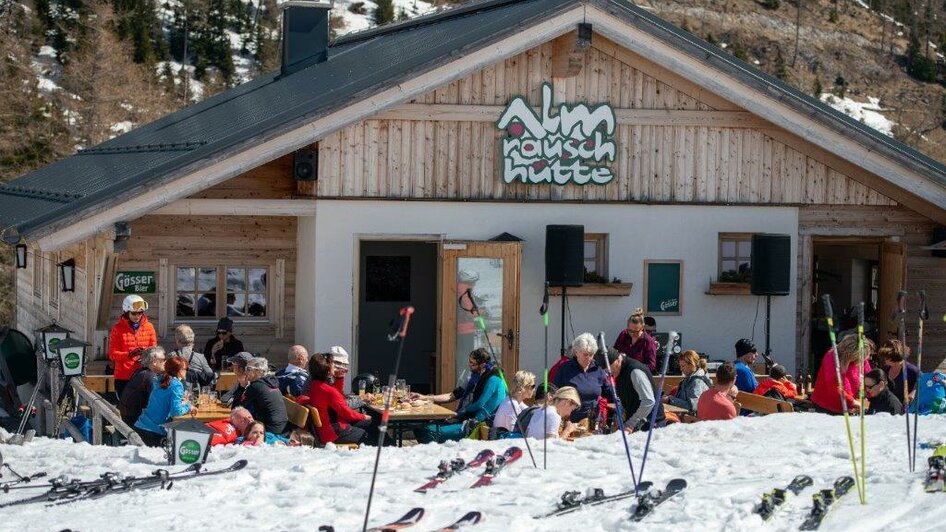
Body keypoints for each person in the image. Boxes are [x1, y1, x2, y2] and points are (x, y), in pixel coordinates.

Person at [414, 348, 505, 444]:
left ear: (482, 365)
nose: (469, 365)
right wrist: (424, 397)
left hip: (478, 423)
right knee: (420, 428)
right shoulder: (472, 378)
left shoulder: (493, 379)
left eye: (472, 363)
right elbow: (451, 396)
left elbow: (479, 404)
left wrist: (458, 415)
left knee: (429, 431)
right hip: (465, 417)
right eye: (469, 362)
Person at [300, 353, 381, 446]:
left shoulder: (314, 385)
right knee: (376, 435)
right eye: (334, 365)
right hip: (336, 432)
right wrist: (364, 416)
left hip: (326, 430)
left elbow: (337, 399)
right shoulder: (328, 391)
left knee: (374, 425)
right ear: (328, 371)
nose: (336, 367)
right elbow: (346, 412)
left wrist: (339, 378)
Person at [134, 356, 194, 446]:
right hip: (153, 432)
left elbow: (163, 401)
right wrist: (188, 406)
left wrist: (181, 403)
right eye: (185, 369)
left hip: (142, 425)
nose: (186, 371)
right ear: (180, 371)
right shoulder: (176, 385)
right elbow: (176, 412)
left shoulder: (160, 379)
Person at [553, 333, 611, 424]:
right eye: (585, 354)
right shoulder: (565, 369)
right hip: (571, 422)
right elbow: (554, 392)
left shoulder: (598, 369)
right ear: (576, 352)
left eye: (591, 355)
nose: (588, 358)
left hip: (594, 420)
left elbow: (608, 391)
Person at [108, 294, 158, 398]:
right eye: (134, 313)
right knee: (126, 409)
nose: (137, 316)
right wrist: (129, 354)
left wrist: (145, 355)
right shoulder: (117, 329)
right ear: (126, 312)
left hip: (144, 374)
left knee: (145, 407)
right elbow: (112, 355)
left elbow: (155, 351)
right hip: (124, 376)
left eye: (140, 313)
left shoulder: (149, 327)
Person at [810, 335, 874, 415]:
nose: (861, 361)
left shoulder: (860, 358)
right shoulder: (831, 357)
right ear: (851, 354)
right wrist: (853, 402)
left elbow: (870, 376)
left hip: (849, 405)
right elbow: (834, 388)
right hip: (826, 406)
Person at [604, 347, 665, 432]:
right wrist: (619, 419)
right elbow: (626, 399)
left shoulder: (635, 371)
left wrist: (630, 424)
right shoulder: (620, 371)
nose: (609, 373)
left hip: (651, 425)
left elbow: (648, 401)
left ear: (617, 361)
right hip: (638, 423)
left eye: (610, 369)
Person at [238, 357, 289, 435]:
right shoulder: (270, 382)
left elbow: (238, 408)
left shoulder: (256, 386)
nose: (245, 372)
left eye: (248, 369)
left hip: (270, 430)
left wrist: (241, 387)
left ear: (258, 371)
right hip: (282, 427)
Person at [119, 347, 166, 427]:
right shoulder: (149, 376)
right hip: (135, 422)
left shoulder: (142, 372)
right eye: (163, 360)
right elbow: (158, 401)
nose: (165, 362)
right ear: (154, 362)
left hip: (129, 417)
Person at [169, 324, 214, 389]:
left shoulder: (171, 357)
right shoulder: (200, 357)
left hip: (175, 393)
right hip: (195, 395)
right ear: (192, 341)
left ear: (177, 341)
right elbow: (210, 376)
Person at [879, 339, 918, 410]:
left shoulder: (912, 370)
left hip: (906, 410)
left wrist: (913, 393)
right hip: (888, 408)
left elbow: (925, 383)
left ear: (894, 355)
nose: (884, 359)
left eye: (886, 356)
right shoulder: (885, 369)